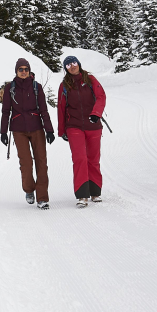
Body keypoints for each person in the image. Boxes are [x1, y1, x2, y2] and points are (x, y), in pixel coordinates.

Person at [0, 58, 55, 209]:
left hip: (37, 128)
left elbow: (44, 109)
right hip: (18, 130)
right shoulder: (9, 88)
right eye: (21, 69)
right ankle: (29, 190)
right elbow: (5, 111)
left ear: (29, 71)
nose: (23, 72)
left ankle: (42, 198)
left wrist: (49, 130)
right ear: (16, 71)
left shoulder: (36, 87)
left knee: (41, 162)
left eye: (26, 69)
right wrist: (3, 132)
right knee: (26, 162)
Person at [56, 55, 107, 208]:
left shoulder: (90, 80)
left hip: (93, 125)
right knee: (80, 159)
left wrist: (96, 114)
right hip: (74, 126)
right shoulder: (64, 85)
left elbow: (101, 97)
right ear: (65, 69)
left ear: (78, 64)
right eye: (68, 65)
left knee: (93, 159)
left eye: (74, 63)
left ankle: (95, 192)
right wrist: (61, 130)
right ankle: (82, 195)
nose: (72, 66)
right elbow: (61, 108)